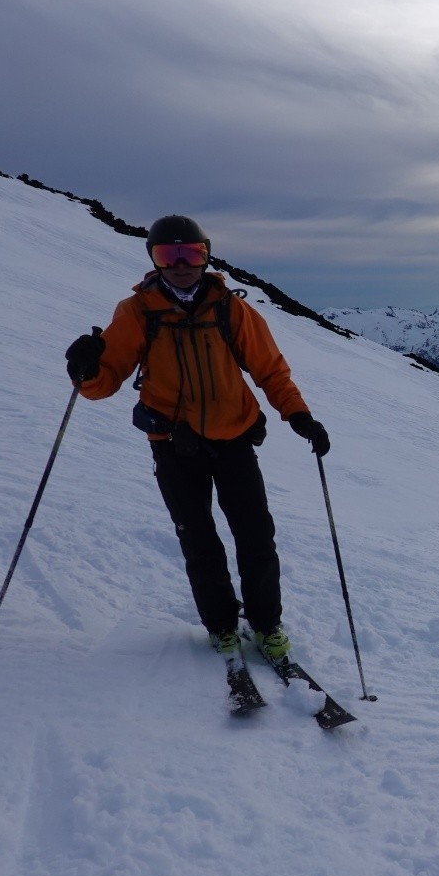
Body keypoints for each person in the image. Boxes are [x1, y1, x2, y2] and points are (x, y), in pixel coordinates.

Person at [63, 215, 330, 665]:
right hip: (173, 444)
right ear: (154, 259)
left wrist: (299, 415)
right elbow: (104, 383)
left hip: (234, 438)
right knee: (199, 541)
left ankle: (267, 625)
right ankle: (223, 628)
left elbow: (269, 370)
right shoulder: (137, 312)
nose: (182, 264)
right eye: (169, 255)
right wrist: (84, 369)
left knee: (256, 536)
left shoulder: (231, 308)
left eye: (192, 254)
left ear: (207, 255)